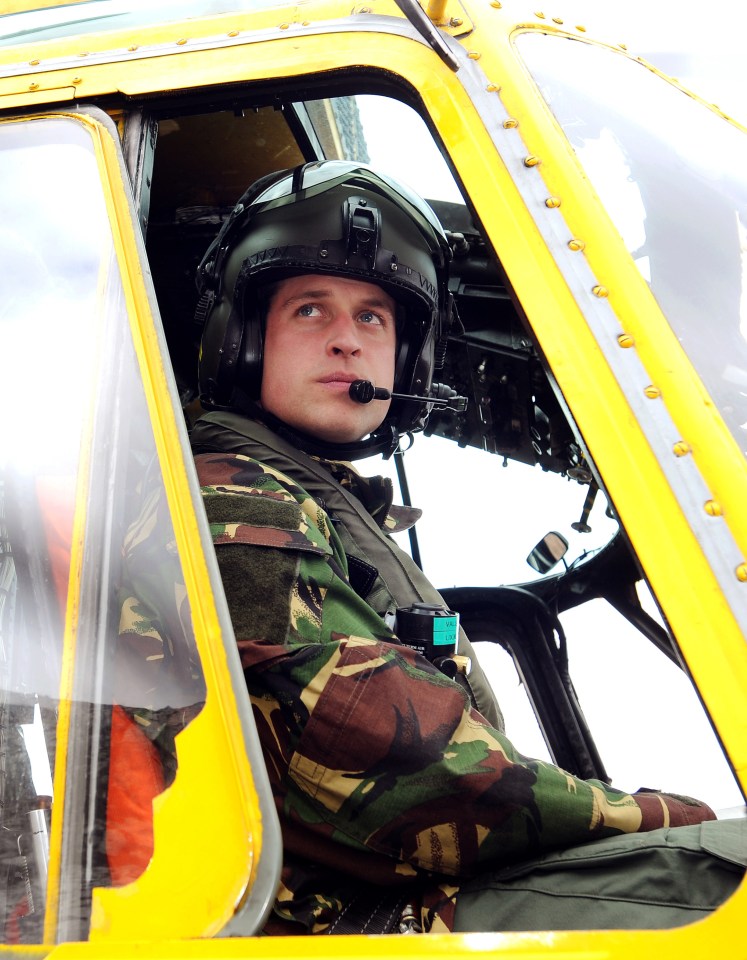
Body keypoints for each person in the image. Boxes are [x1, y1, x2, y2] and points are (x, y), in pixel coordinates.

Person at [115, 161, 745, 933]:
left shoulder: (316, 498)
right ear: (242, 337)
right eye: (310, 310)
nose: (347, 341)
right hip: (325, 920)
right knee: (719, 877)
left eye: (373, 318)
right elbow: (389, 764)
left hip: (366, 901)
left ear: (404, 360)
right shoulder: (230, 498)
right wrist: (658, 816)